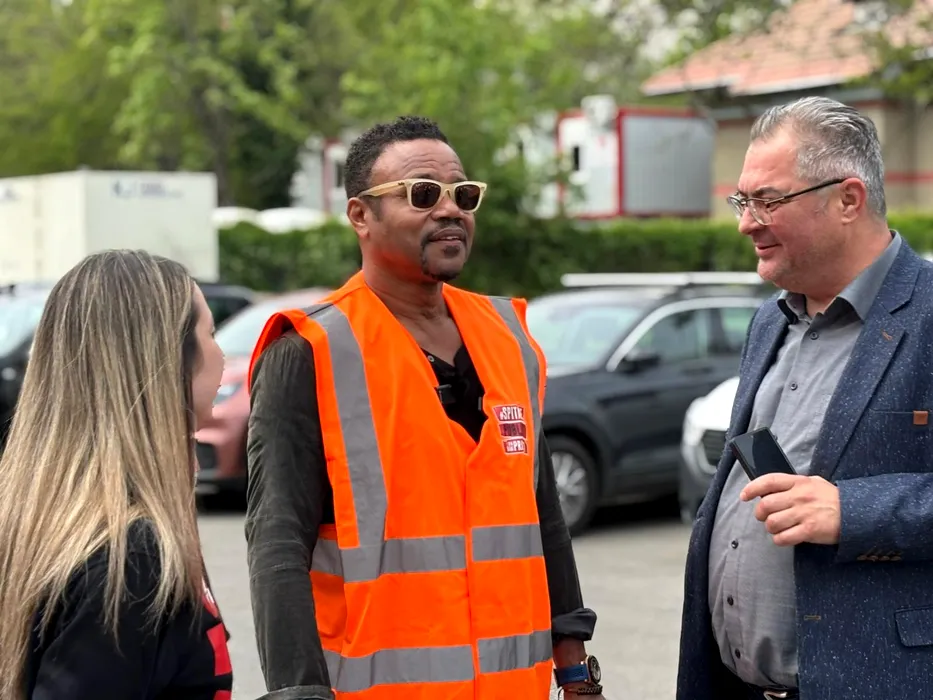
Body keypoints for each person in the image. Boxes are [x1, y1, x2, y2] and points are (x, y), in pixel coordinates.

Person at [245, 116, 604, 700]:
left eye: (463, 194)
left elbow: (544, 517)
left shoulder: (508, 338)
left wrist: (576, 672)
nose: (450, 210)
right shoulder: (309, 351)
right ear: (360, 215)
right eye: (422, 194)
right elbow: (277, 542)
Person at [677, 95, 933, 700]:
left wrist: (854, 510)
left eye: (768, 201)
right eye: (742, 201)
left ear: (848, 200)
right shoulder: (770, 320)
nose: (746, 223)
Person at [0, 250, 232, 699]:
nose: (221, 355)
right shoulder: (131, 562)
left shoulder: (52, 522)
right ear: (168, 361)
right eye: (211, 334)